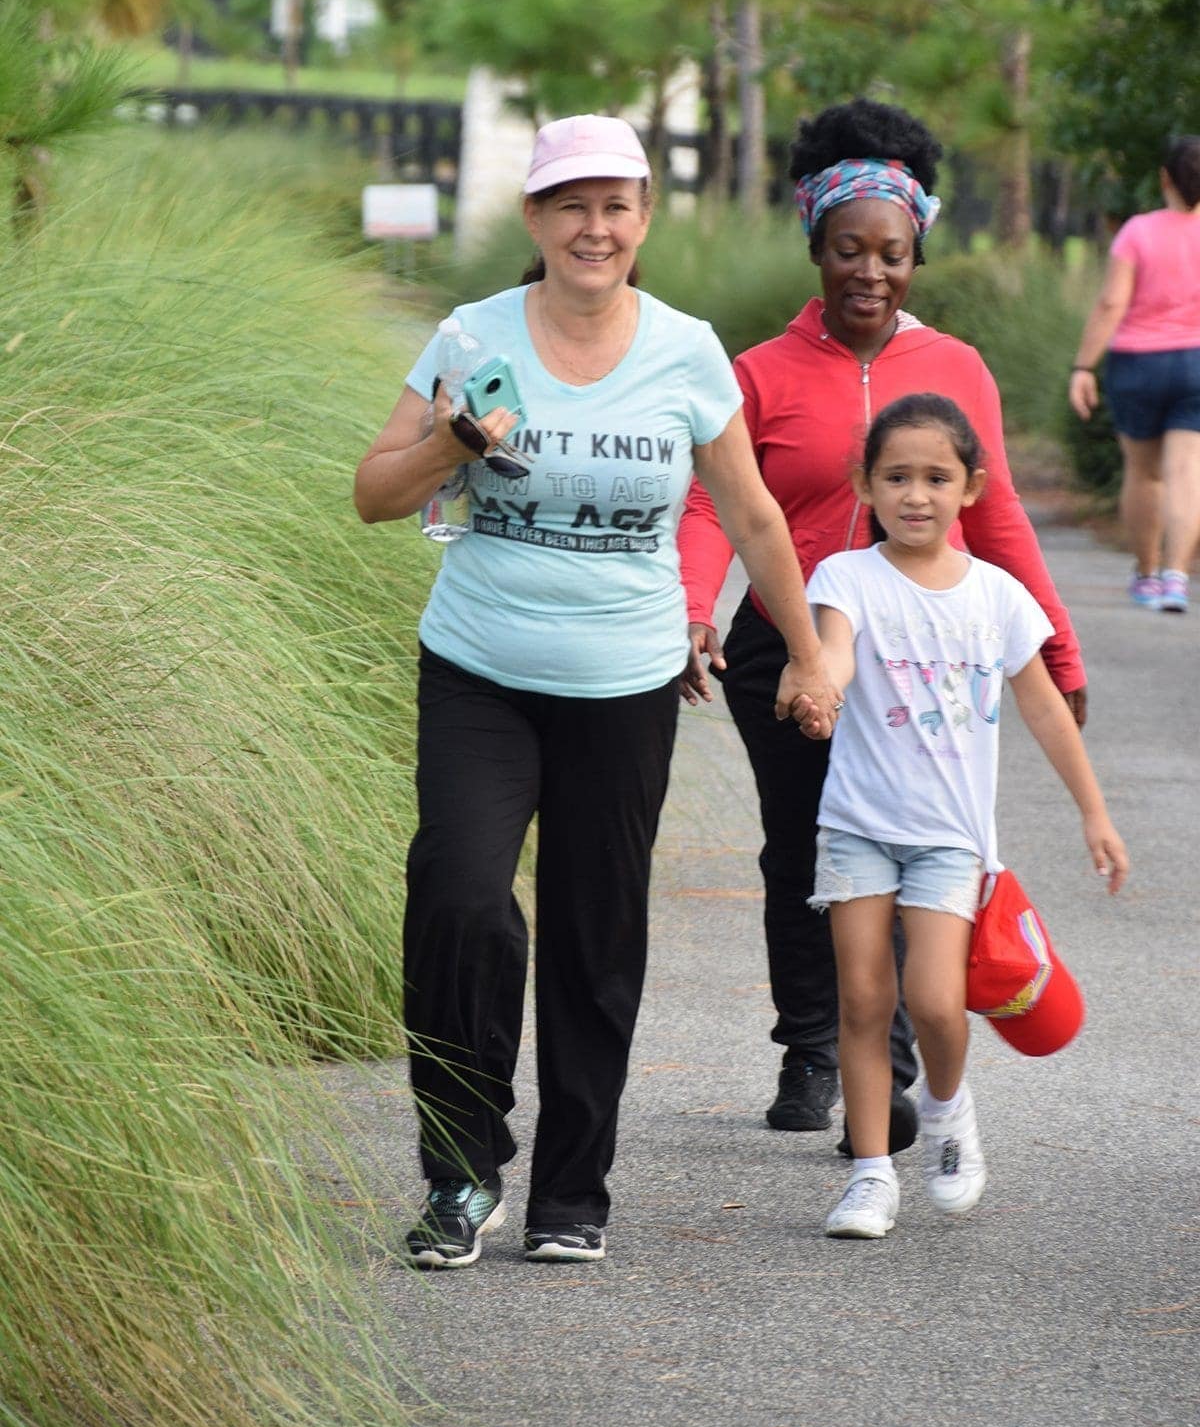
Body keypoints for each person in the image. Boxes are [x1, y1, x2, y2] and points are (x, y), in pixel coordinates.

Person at [354, 114, 837, 1269]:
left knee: (594, 930)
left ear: (643, 220)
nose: (594, 226)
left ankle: (575, 1187)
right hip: (478, 670)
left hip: (622, 687)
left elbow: (757, 514)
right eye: (571, 204)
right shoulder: (470, 334)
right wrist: (450, 446)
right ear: (534, 218)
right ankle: (462, 1175)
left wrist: (811, 652)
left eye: (616, 204)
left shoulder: (684, 350)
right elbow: (376, 491)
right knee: (461, 897)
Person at [676, 98, 1088, 1152]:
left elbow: (995, 516)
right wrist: (692, 610)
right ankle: (814, 1044)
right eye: (848, 251)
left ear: (916, 256)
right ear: (815, 247)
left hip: (925, 651)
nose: (869, 272)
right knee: (802, 850)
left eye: (892, 254)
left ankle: (891, 1060)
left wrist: (1055, 648)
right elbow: (712, 502)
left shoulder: (956, 369)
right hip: (793, 645)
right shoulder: (760, 374)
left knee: (915, 850)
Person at [798, 393, 1127, 1238]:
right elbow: (833, 647)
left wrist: (1094, 814)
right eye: (896, 477)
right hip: (859, 826)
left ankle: (947, 1113)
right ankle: (871, 1175)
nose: (916, 495)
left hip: (951, 839)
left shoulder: (999, 598)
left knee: (937, 1001)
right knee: (864, 1000)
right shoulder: (845, 578)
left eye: (936, 477)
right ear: (864, 485)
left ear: (971, 487)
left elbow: (1048, 711)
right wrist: (822, 684)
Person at [1068, 134, 1200, 614]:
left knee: (1144, 473)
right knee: (1187, 473)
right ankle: (1176, 578)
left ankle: (1145, 575)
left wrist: (1083, 365)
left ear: (1164, 178)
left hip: (1138, 364)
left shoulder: (1138, 232)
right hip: (1197, 363)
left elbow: (1111, 303)